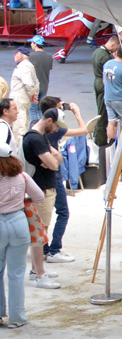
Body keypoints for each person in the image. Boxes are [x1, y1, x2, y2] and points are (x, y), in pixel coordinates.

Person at [35, 97, 87, 266]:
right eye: (60, 109)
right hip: (54, 176)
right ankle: (54, 250)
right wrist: (77, 114)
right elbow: (83, 130)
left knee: (42, 215)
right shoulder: (55, 130)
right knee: (62, 212)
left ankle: (43, 248)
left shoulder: (35, 128)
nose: (63, 111)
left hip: (39, 177)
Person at [0, 137, 43, 327]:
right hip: (18, 222)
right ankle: (17, 318)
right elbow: (39, 197)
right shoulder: (22, 177)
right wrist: (23, 201)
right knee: (16, 274)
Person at [21, 111, 62, 287]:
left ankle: (35, 270)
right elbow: (54, 163)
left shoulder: (40, 136)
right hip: (40, 191)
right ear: (49, 120)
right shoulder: (36, 139)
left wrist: (55, 159)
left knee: (41, 232)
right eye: (56, 126)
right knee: (38, 234)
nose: (57, 130)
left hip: (42, 189)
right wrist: (54, 160)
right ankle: (39, 274)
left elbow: (58, 157)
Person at [102, 39, 122, 145]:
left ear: (115, 52)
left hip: (108, 97)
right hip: (119, 99)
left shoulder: (107, 64)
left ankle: (110, 143)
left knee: (111, 121)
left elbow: (104, 81)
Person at [89, 33, 113, 148]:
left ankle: (98, 136)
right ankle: (100, 139)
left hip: (97, 81)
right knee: (103, 112)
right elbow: (107, 75)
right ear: (112, 45)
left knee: (100, 109)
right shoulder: (105, 57)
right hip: (103, 83)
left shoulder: (97, 52)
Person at [9, 48, 37, 132]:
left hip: (20, 98)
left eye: (16, 54)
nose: (14, 56)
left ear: (21, 55)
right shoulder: (28, 65)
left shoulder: (24, 67)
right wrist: (33, 94)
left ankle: (20, 144)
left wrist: (32, 95)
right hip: (22, 97)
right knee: (24, 121)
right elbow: (35, 83)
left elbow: (29, 83)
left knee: (19, 124)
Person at [27, 34, 52, 101]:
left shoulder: (30, 57)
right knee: (41, 107)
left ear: (35, 44)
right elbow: (49, 68)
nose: (31, 44)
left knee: (33, 109)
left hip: (34, 87)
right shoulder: (49, 56)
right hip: (44, 86)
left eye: (32, 43)